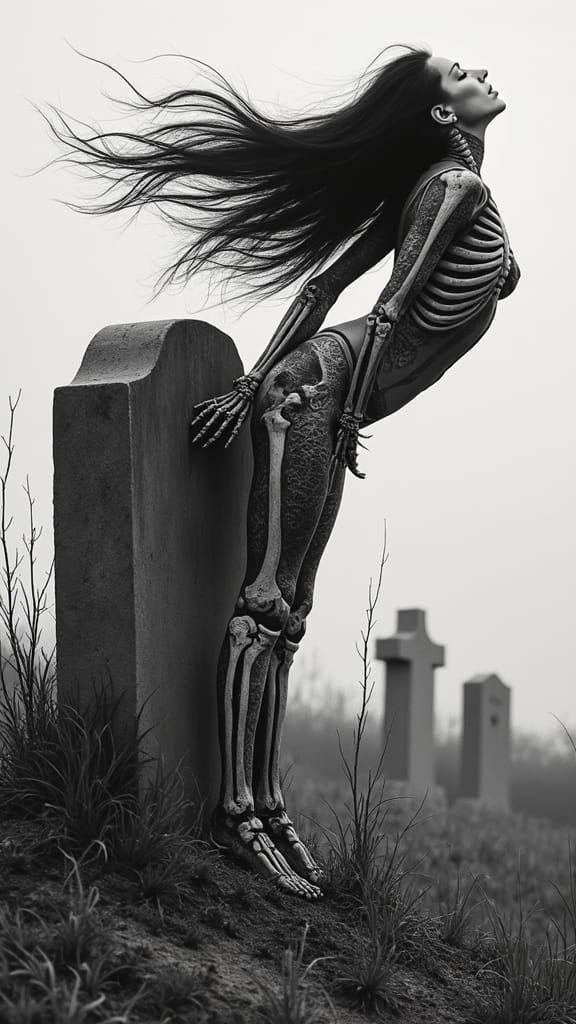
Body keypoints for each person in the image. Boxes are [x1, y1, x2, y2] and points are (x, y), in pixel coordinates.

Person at [46, 45, 520, 900]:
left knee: (289, 608)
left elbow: (319, 287)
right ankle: (238, 814)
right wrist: (288, 395)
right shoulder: (454, 188)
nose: (479, 68)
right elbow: (384, 310)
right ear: (444, 116)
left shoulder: (430, 186)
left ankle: (266, 804)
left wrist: (299, 396)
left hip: (323, 400)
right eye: (459, 72)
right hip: (316, 398)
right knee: (268, 599)